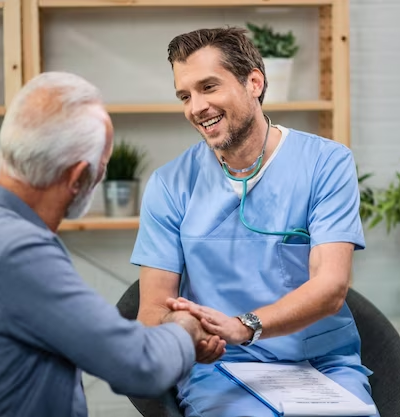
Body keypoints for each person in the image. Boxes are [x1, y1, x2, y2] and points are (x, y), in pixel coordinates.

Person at [130, 27, 379, 417]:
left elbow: (331, 287)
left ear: (254, 82)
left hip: (319, 365)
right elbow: (151, 316)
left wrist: (245, 326)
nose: (196, 107)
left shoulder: (326, 164)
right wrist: (187, 332)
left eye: (208, 87)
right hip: (220, 369)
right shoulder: (169, 185)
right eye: (185, 95)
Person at [0, 72, 226, 417]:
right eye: (101, 170)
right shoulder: (20, 251)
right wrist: (185, 328)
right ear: (78, 178)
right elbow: (137, 365)